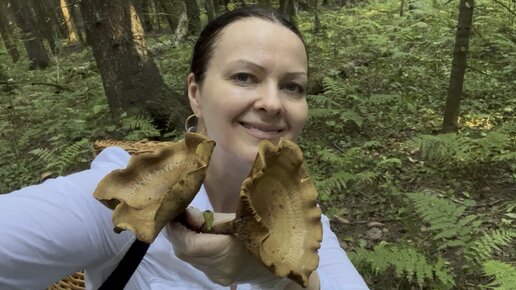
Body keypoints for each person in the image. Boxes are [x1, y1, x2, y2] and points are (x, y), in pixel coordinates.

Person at [0, 7, 368, 290]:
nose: (273, 103)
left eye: (293, 86)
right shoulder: (129, 195)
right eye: (244, 77)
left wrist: (275, 276)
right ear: (196, 93)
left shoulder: (302, 217)